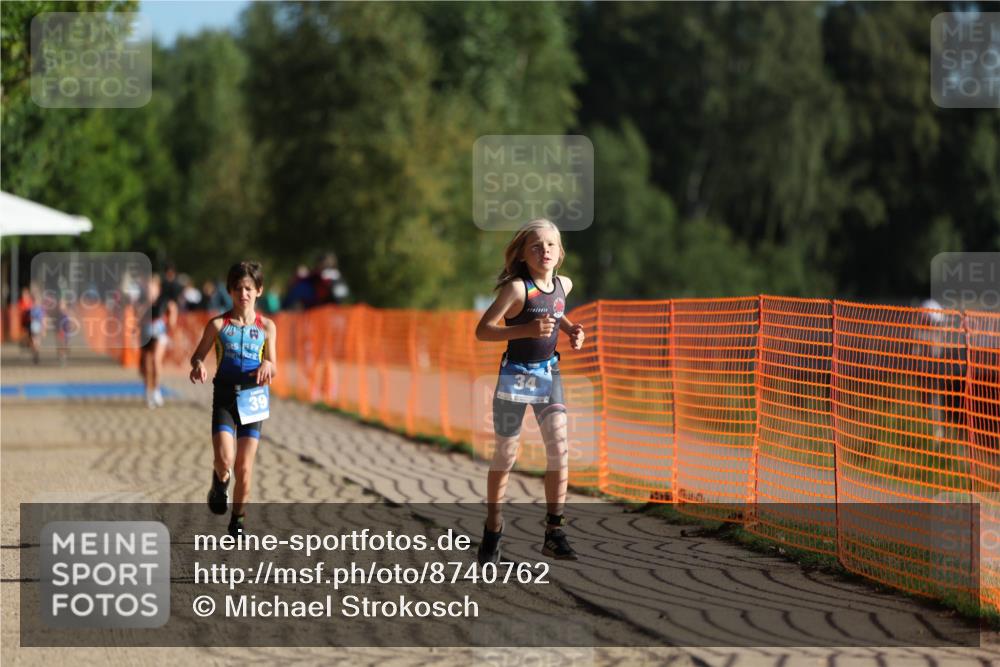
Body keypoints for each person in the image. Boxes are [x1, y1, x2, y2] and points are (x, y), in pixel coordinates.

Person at [474, 218, 585, 564]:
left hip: (549, 371)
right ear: (522, 254)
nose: (545, 251)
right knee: (506, 455)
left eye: (551, 244)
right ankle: (493, 528)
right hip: (516, 375)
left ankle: (555, 531)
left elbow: (557, 311)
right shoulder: (518, 290)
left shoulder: (563, 284)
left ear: (560, 251)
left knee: (560, 446)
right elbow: (483, 330)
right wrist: (526, 331)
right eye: (536, 245)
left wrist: (570, 330)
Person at [188, 261, 277, 537]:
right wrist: (199, 365)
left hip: (254, 398)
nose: (243, 294)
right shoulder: (218, 324)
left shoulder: (267, 327)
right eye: (238, 288)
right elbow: (198, 354)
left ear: (259, 291)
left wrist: (267, 366)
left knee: (244, 467)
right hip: (225, 397)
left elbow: (274, 362)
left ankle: (237, 521)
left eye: (249, 288)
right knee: (225, 460)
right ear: (229, 291)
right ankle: (219, 482)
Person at [139, 273, 178, 408]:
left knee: (156, 360)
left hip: (160, 333)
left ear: (158, 289)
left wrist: (171, 327)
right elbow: (135, 316)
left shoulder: (164, 300)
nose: (150, 291)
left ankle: (156, 390)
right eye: (148, 289)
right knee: (146, 365)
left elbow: (173, 309)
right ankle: (148, 390)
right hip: (145, 333)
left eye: (153, 289)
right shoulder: (142, 301)